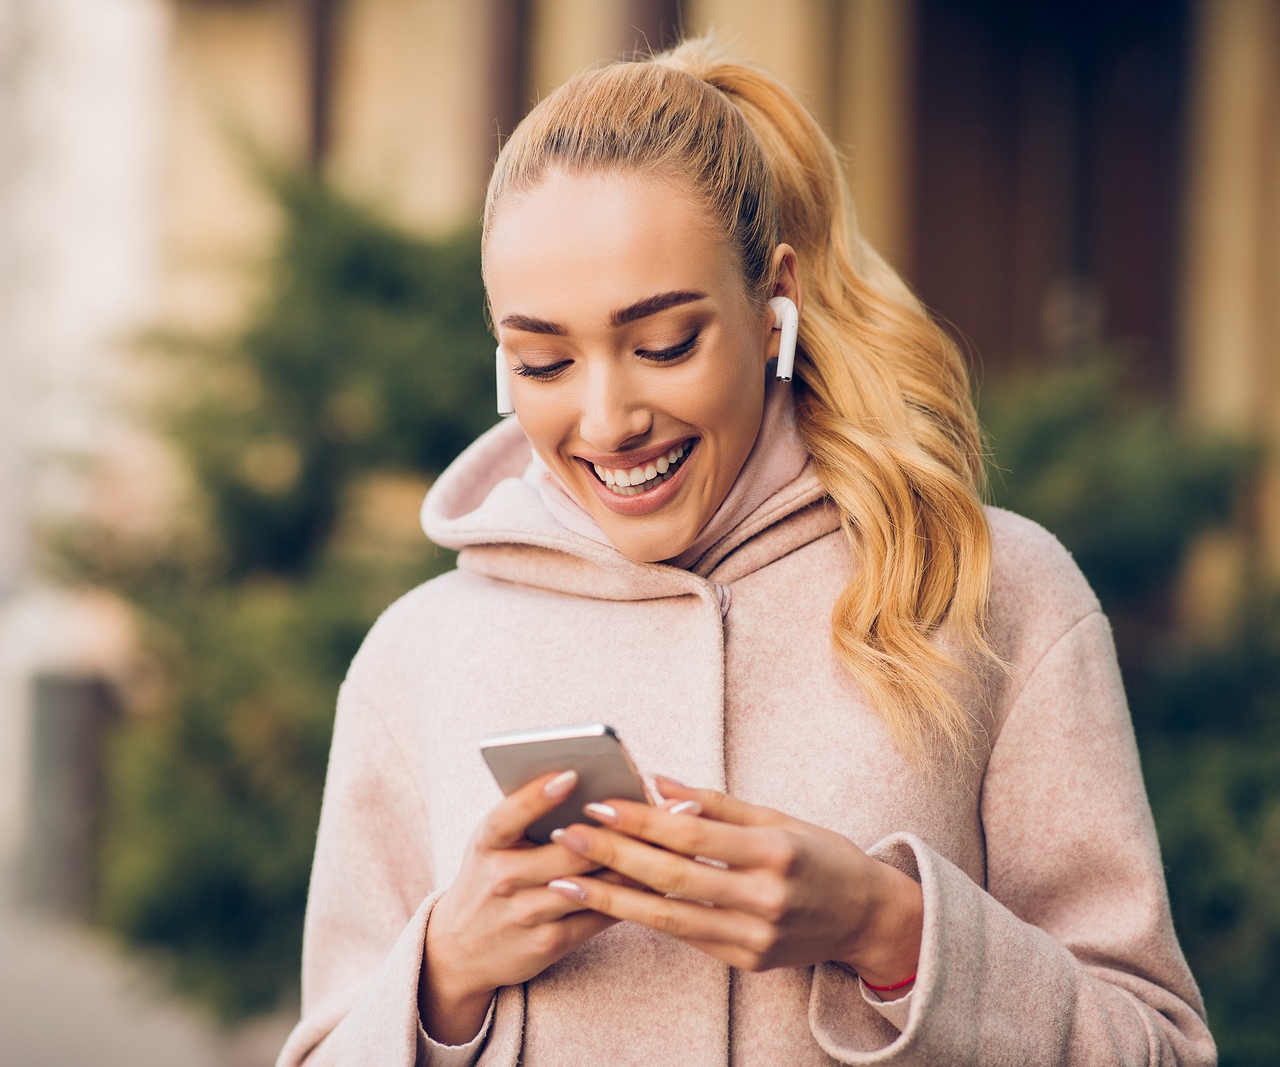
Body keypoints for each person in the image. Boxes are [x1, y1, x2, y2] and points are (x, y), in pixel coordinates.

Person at [276, 38, 1215, 1067]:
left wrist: (885, 928)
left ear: (773, 304)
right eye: (542, 360)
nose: (607, 417)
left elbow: (1160, 1048)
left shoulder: (990, 590)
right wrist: (446, 972)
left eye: (666, 342)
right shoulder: (418, 654)